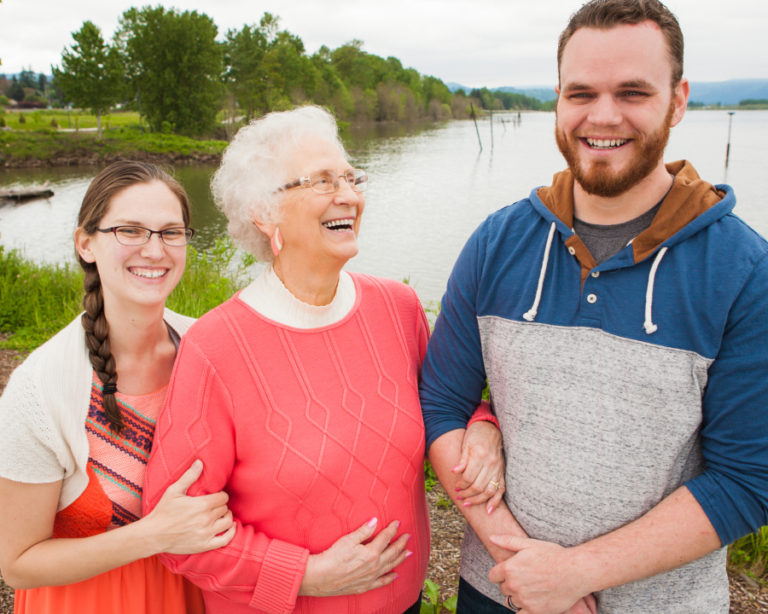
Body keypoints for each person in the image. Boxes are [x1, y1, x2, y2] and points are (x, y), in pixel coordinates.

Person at [420, 0, 768, 612]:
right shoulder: (497, 244)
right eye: (581, 93)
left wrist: (578, 572)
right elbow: (441, 402)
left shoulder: (745, 271)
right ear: (558, 99)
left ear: (678, 99)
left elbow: (747, 479)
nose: (602, 116)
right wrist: (517, 561)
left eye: (632, 92)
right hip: (495, 594)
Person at [142, 105, 505, 614]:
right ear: (264, 211)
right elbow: (175, 530)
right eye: (322, 180)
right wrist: (303, 576)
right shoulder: (217, 347)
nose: (349, 195)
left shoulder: (397, 310)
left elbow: (447, 401)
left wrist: (484, 423)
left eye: (352, 178)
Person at [0, 161, 235, 614]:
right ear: (85, 243)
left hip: (193, 596)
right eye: (130, 230)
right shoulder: (40, 389)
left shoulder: (211, 349)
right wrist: (155, 535)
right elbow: (17, 563)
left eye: (170, 232)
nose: (154, 249)